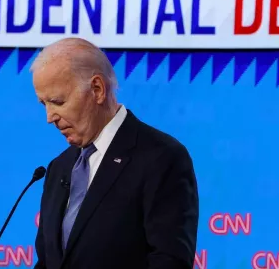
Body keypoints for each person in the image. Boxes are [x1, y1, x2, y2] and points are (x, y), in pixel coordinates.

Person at [31, 37, 199, 269]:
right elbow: (48, 262)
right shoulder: (59, 167)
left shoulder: (161, 158)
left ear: (97, 90)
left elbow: (169, 261)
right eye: (43, 104)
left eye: (57, 102)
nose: (49, 117)